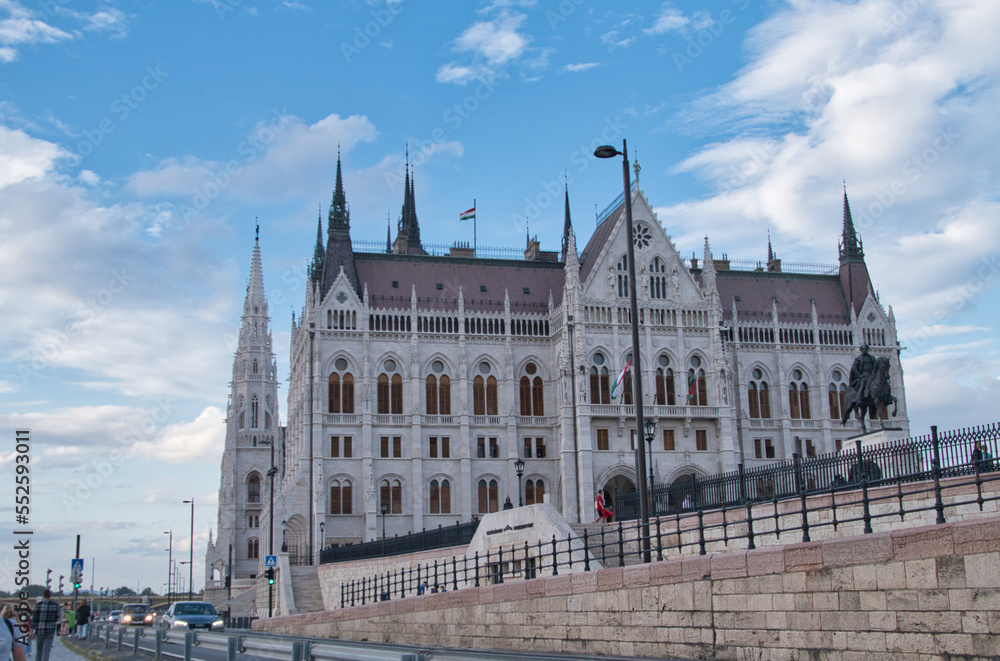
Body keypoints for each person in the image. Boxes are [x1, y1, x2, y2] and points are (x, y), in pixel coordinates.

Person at [31, 590, 60, 661]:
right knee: (46, 651)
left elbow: (34, 618)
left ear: (43, 595)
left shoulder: (38, 605)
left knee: (39, 651)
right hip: (50, 631)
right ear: (50, 595)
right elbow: (57, 617)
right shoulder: (55, 605)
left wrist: (31, 630)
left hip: (39, 631)